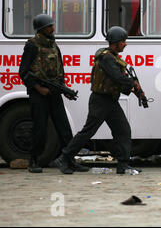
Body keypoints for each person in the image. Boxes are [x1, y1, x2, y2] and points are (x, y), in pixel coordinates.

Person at [53, 26, 141, 175]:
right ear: (115, 42)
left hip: (110, 101)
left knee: (123, 130)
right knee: (88, 132)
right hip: (100, 101)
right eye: (123, 41)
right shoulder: (106, 57)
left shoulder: (113, 57)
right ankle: (64, 158)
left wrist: (132, 89)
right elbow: (116, 77)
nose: (125, 44)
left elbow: (115, 82)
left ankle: (123, 164)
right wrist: (133, 84)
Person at [19, 14, 88, 173]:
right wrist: (38, 88)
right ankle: (34, 161)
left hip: (54, 93)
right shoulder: (32, 45)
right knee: (40, 129)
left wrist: (65, 90)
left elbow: (60, 70)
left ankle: (69, 161)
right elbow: (23, 72)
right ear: (42, 29)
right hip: (39, 95)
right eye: (50, 26)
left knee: (64, 129)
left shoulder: (53, 45)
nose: (53, 28)